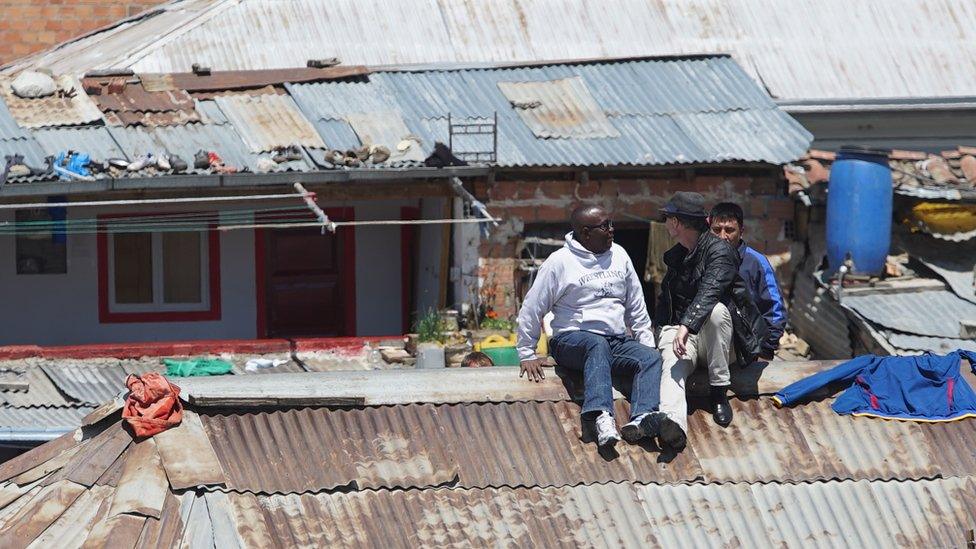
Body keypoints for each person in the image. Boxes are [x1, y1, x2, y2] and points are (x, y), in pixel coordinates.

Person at [517, 205, 680, 450]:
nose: (612, 230)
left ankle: (642, 418)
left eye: (611, 223)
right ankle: (601, 416)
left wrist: (645, 344)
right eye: (605, 226)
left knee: (649, 357)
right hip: (571, 341)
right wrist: (526, 352)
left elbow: (636, 306)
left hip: (614, 341)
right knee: (596, 344)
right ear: (585, 233)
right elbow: (532, 306)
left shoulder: (620, 255)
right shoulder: (560, 262)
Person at [654, 192, 768, 451]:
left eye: (668, 218)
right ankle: (673, 423)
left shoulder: (721, 251)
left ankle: (719, 391)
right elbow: (665, 300)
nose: (666, 223)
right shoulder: (676, 256)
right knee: (672, 363)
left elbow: (711, 289)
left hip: (723, 343)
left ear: (678, 223)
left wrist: (687, 324)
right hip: (688, 341)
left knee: (716, 311)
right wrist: (661, 332)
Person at [709, 202, 788, 360]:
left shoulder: (756, 262)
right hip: (710, 345)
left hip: (746, 347)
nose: (722, 236)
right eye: (717, 230)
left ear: (741, 232)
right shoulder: (702, 260)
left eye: (729, 230)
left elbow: (775, 309)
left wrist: (766, 347)